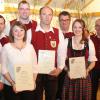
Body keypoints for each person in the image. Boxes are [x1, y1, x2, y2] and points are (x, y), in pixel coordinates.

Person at [58, 19, 97, 100]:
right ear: (72, 28)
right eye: (75, 27)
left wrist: (87, 70)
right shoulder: (66, 42)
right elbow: (61, 60)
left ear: (83, 29)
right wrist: (67, 70)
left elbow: (93, 62)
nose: (77, 29)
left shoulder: (89, 42)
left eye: (80, 27)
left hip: (84, 78)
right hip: (70, 77)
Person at [31, 6, 64, 100]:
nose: (47, 17)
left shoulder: (58, 33)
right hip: (36, 74)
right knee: (36, 98)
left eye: (49, 14)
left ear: (52, 17)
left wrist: (60, 68)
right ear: (40, 16)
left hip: (52, 72)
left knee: (52, 97)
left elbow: (61, 53)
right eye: (44, 14)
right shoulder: (30, 32)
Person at [1, 21, 38, 100]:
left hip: (28, 86)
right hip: (11, 87)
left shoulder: (30, 47)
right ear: (12, 32)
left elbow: (35, 66)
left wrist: (33, 81)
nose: (19, 33)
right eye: (16, 30)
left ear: (25, 32)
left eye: (21, 30)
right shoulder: (6, 48)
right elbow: (3, 69)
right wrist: (12, 83)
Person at [56, 11, 74, 100]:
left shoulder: (74, 35)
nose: (64, 22)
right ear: (59, 21)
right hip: (57, 67)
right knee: (57, 91)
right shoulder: (54, 33)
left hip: (70, 67)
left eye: (66, 20)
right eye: (62, 20)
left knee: (68, 92)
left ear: (70, 21)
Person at [90, 18, 100, 100]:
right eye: (97, 25)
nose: (99, 27)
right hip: (94, 68)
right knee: (93, 90)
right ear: (95, 27)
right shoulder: (91, 39)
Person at [0, 15, 9, 99]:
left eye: (1, 23)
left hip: (4, 79)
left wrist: (1, 80)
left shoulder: (7, 40)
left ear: (4, 26)